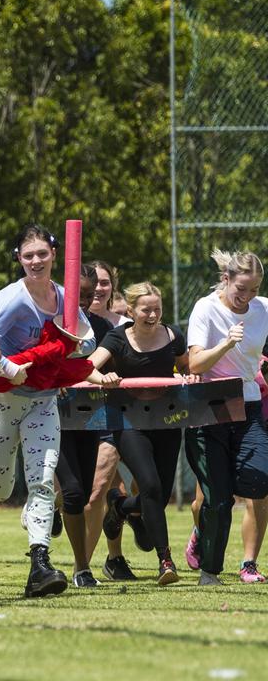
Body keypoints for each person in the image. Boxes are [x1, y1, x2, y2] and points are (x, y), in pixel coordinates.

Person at [0, 223, 96, 598]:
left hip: (43, 401)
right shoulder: (10, 300)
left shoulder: (64, 296)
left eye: (42, 253)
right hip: (1, 400)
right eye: (28, 255)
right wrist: (8, 366)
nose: (35, 260)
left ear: (55, 255)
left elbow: (88, 339)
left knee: (43, 480)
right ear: (18, 259)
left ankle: (40, 564)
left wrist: (69, 349)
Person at [87, 281, 190, 585]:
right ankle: (165, 561)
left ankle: (119, 507)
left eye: (157, 308)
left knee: (158, 494)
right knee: (150, 485)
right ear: (131, 311)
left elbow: (185, 364)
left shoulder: (173, 335)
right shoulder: (118, 337)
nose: (153, 314)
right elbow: (88, 367)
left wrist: (190, 373)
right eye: (146, 309)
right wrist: (102, 377)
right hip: (128, 422)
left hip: (167, 422)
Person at [183, 249, 268, 585]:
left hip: (247, 406)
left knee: (258, 481)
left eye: (254, 289)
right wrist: (225, 345)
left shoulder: (263, 310)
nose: (246, 297)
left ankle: (206, 520)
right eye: (240, 289)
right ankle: (209, 572)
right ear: (226, 279)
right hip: (210, 408)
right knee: (218, 497)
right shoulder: (206, 309)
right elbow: (195, 364)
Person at [54, 265, 117, 588]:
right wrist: (55, 376)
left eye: (90, 295)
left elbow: (96, 364)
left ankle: (81, 566)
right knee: (74, 492)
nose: (86, 301)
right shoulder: (47, 319)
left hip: (89, 418)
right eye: (79, 294)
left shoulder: (101, 327)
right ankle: (73, 563)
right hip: (50, 417)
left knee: (83, 493)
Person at [81, 259, 132, 581]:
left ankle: (111, 556)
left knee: (112, 490)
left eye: (104, 282)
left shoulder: (125, 324)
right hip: (71, 414)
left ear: (112, 286)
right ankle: (85, 564)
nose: (98, 289)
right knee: (87, 491)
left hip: (112, 412)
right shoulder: (69, 320)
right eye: (92, 284)